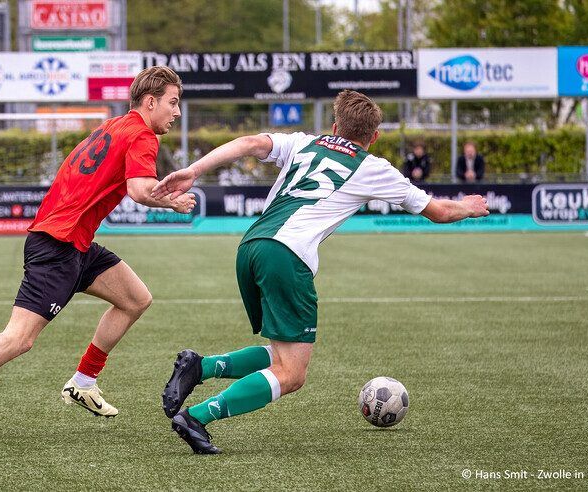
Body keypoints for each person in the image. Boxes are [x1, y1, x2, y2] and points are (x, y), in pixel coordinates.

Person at [151, 90, 489, 454]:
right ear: (374, 137)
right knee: (292, 374)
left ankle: (199, 367)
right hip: (287, 256)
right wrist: (468, 206)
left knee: (282, 355)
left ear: (334, 126)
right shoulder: (373, 167)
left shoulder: (304, 143)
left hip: (251, 246)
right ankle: (198, 416)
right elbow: (437, 211)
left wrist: (193, 170)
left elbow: (249, 142)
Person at [0, 66, 196, 441]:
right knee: (19, 338)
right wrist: (175, 202)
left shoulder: (115, 125)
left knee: (135, 299)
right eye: (173, 102)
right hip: (58, 244)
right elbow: (140, 189)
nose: (177, 112)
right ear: (150, 102)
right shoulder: (143, 135)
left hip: (73, 242)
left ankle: (83, 381)